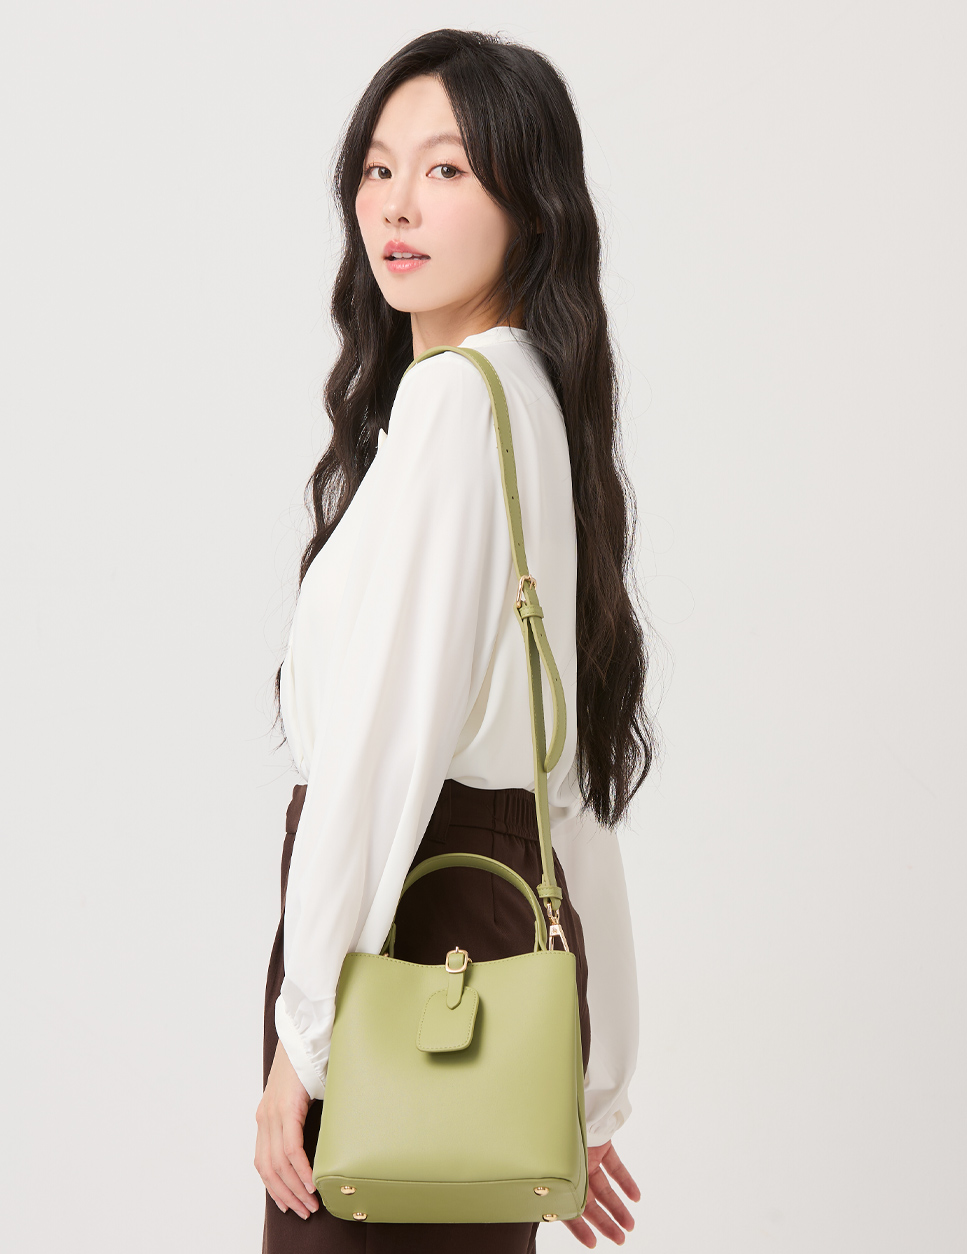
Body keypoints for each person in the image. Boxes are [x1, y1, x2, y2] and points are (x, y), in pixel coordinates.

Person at [254, 28, 658, 1253]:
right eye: (379, 169)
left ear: (531, 205)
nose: (397, 204)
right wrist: (587, 1074)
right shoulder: (531, 398)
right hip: (488, 960)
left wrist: (304, 1036)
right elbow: (555, 782)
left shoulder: (450, 405)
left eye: (446, 169)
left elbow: (380, 753)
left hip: (396, 959)